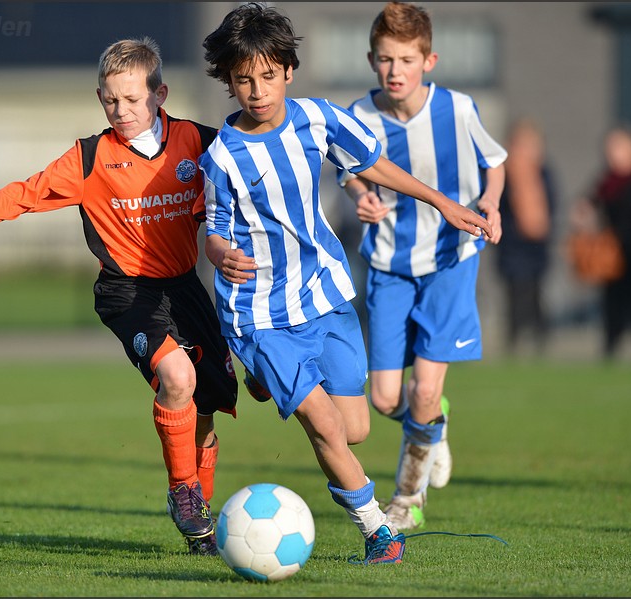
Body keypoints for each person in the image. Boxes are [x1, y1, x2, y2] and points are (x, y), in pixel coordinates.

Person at [0, 38, 238, 556]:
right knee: (177, 377)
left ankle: (200, 526)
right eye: (111, 100)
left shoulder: (200, 143)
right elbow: (24, 193)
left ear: (160, 94)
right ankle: (182, 492)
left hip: (186, 289)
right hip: (126, 292)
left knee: (207, 406)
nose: (122, 110)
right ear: (99, 97)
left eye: (133, 100)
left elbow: (250, 183)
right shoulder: (90, 158)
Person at [199, 3, 492, 565]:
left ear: (288, 70)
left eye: (267, 75)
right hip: (259, 312)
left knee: (356, 427)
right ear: (228, 82)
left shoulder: (317, 118)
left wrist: (440, 201)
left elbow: (374, 163)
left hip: (325, 296)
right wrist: (220, 253)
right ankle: (377, 529)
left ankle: (263, 379)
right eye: (243, 79)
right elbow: (212, 231)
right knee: (326, 425)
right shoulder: (222, 158)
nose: (257, 90)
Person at [339, 1, 507, 531]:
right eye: (386, 60)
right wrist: (361, 195)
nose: (396, 71)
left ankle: (406, 502)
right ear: (371, 60)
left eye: (407, 60)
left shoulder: (457, 108)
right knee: (389, 397)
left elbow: (495, 161)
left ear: (429, 61)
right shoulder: (359, 116)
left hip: (449, 262)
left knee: (425, 389)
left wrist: (491, 203)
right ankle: (433, 426)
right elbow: (349, 172)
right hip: (388, 265)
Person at [579, 124, 631, 357]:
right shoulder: (607, 181)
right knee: (613, 301)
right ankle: (611, 346)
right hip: (613, 251)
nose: (614, 153)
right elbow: (588, 203)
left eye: (619, 147)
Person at [497, 118, 556, 355]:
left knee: (536, 291)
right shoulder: (502, 173)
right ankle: (515, 337)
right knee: (514, 292)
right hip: (512, 245)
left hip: (537, 246)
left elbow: (551, 203)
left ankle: (540, 335)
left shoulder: (544, 172)